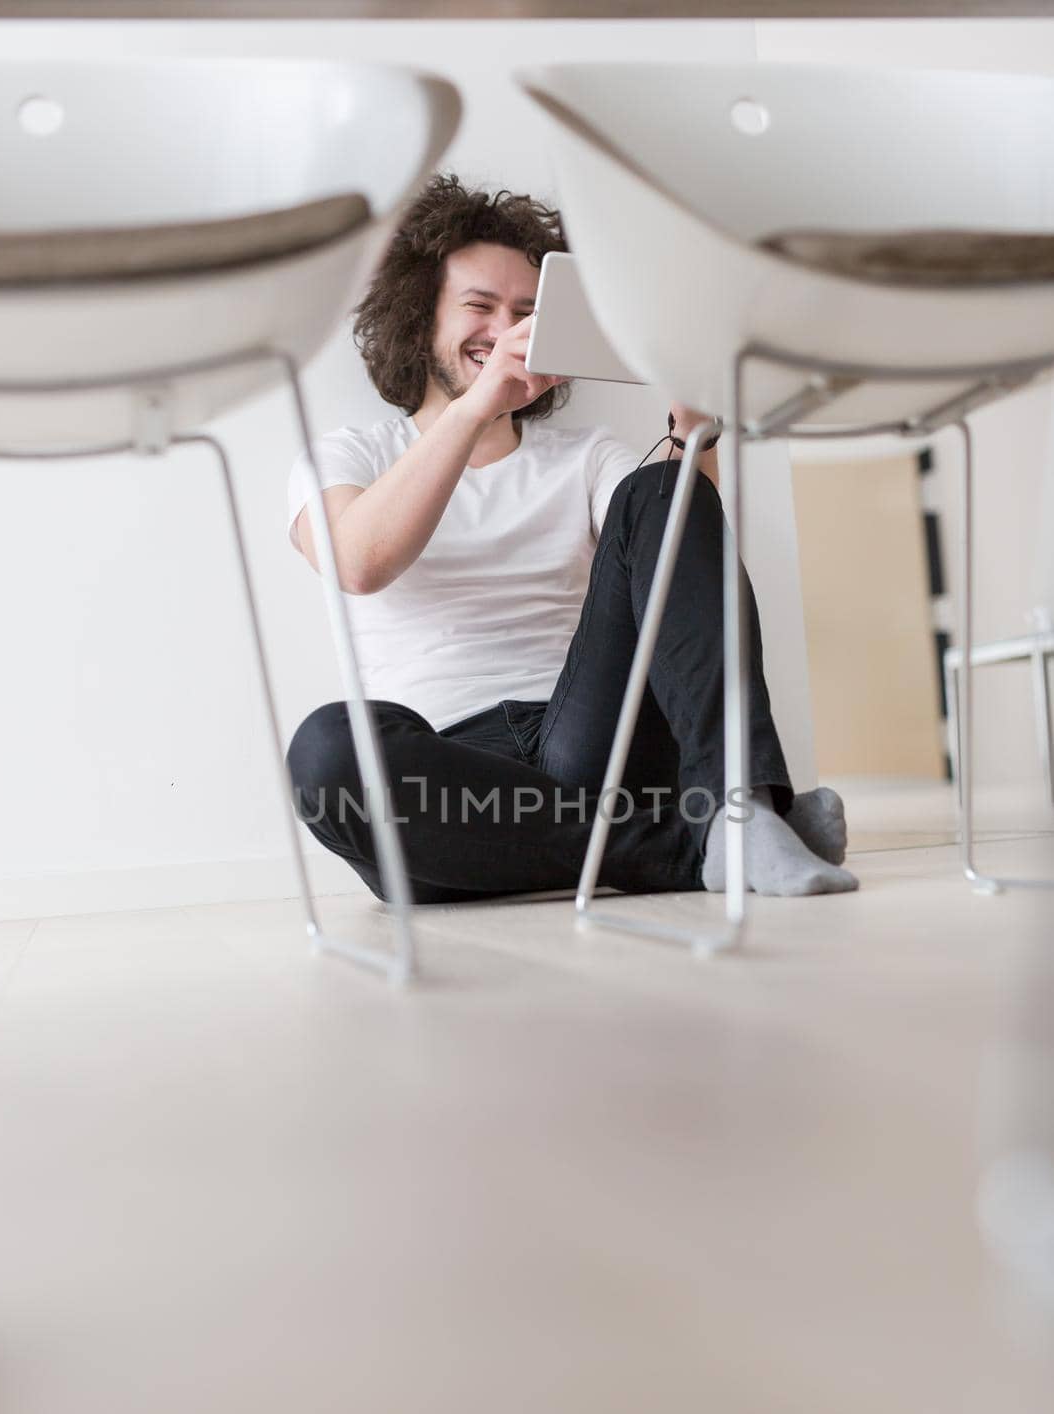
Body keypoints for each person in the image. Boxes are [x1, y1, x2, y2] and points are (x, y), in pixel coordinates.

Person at [286, 173, 856, 905]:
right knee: (330, 751)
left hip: (590, 744)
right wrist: (478, 405)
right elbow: (358, 564)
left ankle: (737, 805)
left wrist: (692, 426)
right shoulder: (351, 453)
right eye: (479, 308)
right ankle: (703, 839)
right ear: (418, 319)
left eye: (527, 312)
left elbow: (678, 551)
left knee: (662, 493)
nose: (506, 330)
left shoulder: (583, 457)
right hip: (451, 786)